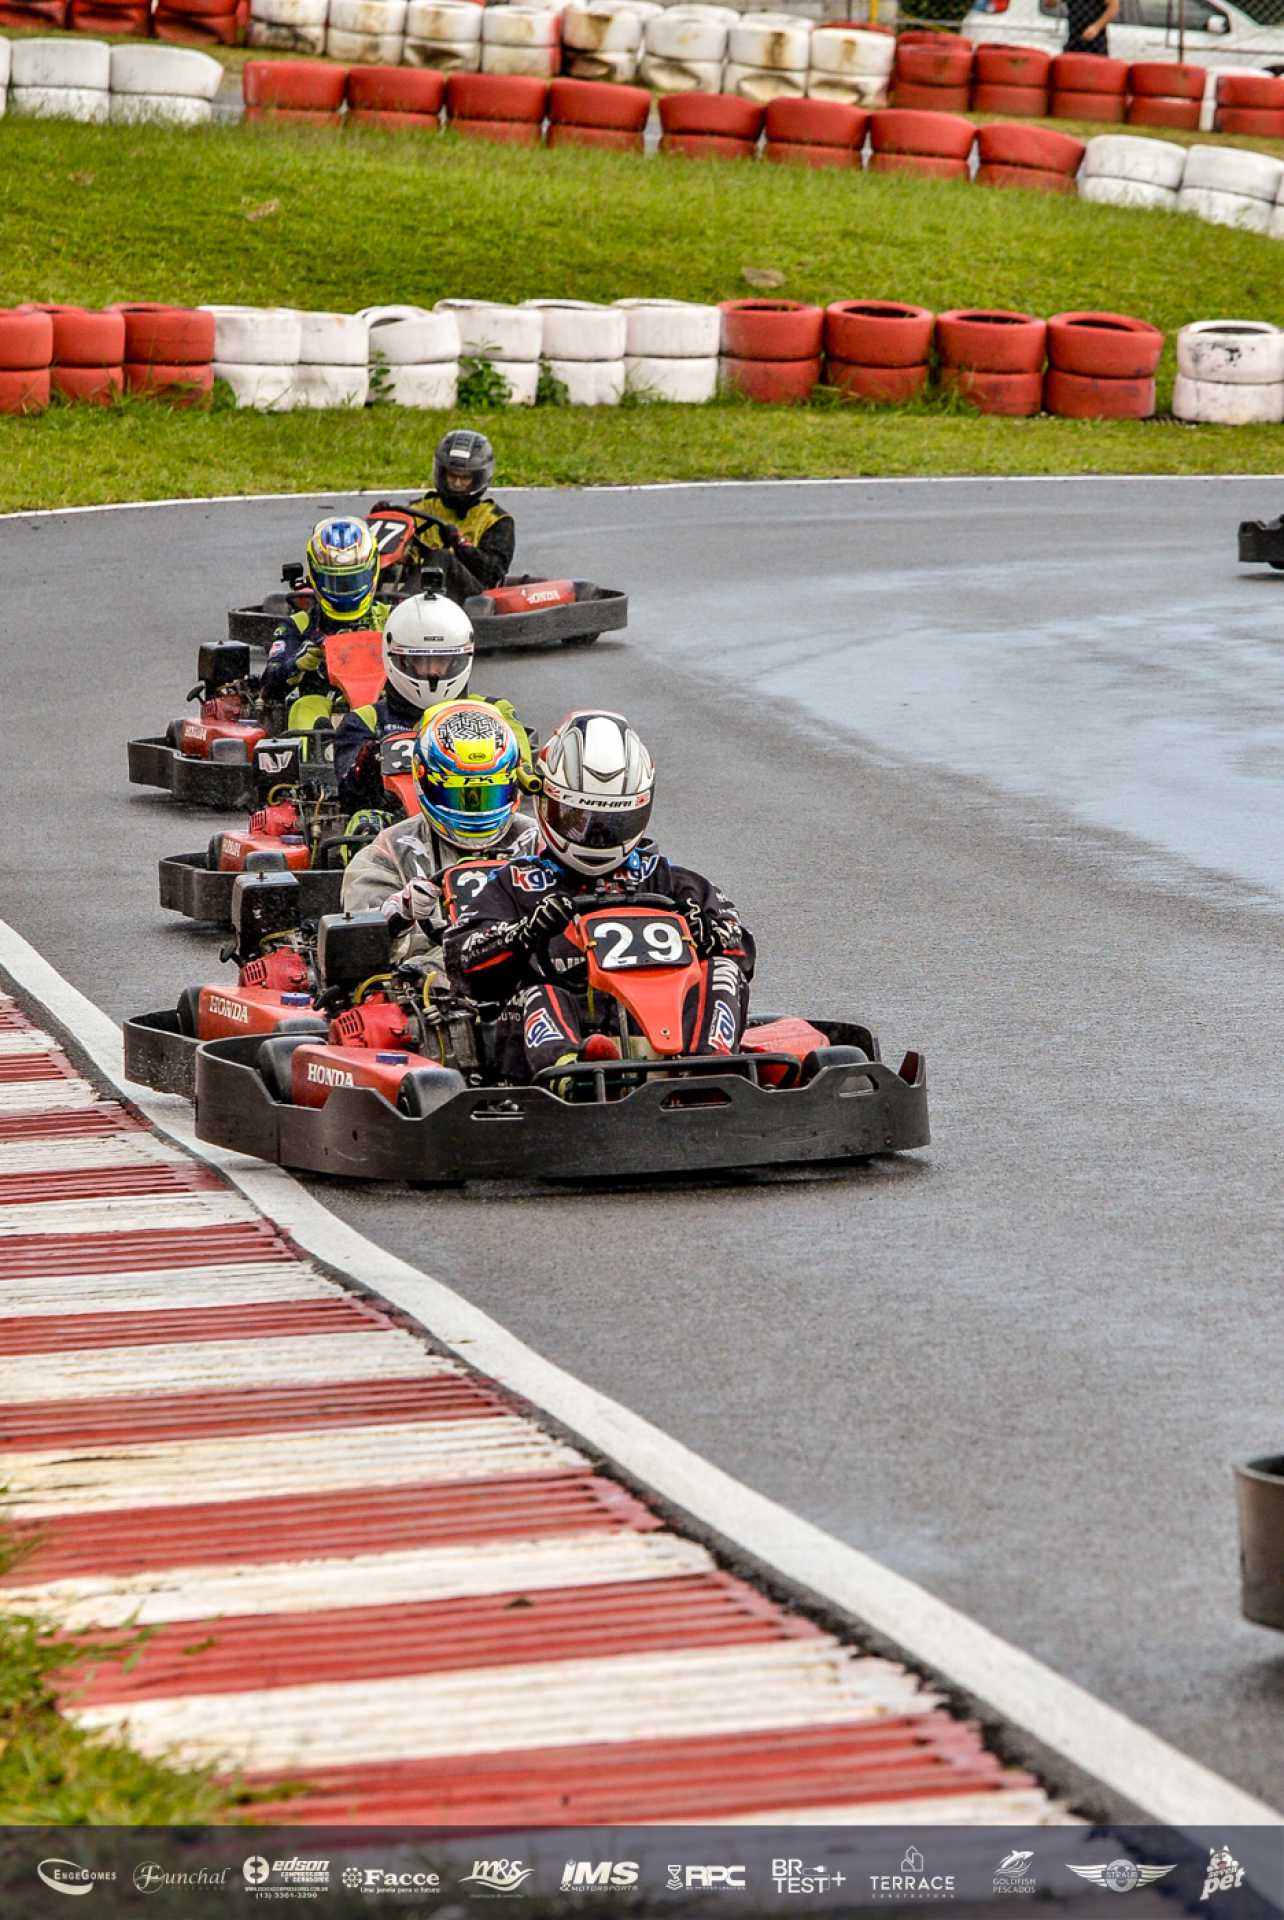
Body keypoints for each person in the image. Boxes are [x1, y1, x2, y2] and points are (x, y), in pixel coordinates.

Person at [442, 710, 755, 1086]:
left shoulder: (664, 878)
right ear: (547, 801)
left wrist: (710, 935)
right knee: (540, 993)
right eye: (578, 817)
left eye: (614, 823)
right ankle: (570, 1074)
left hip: (666, 1031)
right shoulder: (515, 883)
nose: (597, 835)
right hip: (563, 1036)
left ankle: (709, 1070)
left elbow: (741, 946)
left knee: (723, 971)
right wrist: (523, 934)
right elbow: (461, 959)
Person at [340, 700, 538, 969]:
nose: (475, 811)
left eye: (489, 794)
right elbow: (362, 950)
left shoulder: (537, 842)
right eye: (460, 795)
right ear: (424, 781)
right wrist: (399, 913)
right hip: (437, 986)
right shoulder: (387, 853)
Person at [332, 591, 532, 821]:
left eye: (441, 661)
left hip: (480, 817)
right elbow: (350, 797)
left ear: (459, 660)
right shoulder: (366, 720)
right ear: (397, 659)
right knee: (362, 821)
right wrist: (367, 763)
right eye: (421, 661)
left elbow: (524, 772)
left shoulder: (494, 711)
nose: (433, 672)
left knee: (525, 824)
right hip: (396, 827)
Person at [259, 515, 391, 713]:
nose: (345, 590)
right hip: (324, 711)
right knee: (303, 708)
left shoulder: (393, 618)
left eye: (353, 580)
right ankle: (316, 735)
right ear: (316, 575)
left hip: (386, 710)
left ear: (372, 570)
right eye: (336, 582)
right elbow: (269, 688)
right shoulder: (299, 625)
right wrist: (296, 663)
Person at [406, 429, 515, 603]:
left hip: (472, 599)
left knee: (441, 556)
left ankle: (399, 607)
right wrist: (386, 518)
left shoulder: (496, 520)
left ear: (478, 478)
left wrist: (460, 545)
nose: (457, 483)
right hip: (418, 587)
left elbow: (492, 573)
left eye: (465, 478)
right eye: (452, 476)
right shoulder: (420, 509)